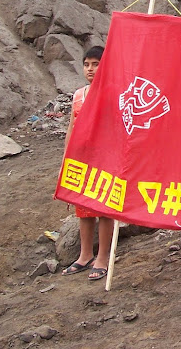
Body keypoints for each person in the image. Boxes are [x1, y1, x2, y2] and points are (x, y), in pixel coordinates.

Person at [61, 46, 115, 281]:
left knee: (104, 208)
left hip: (105, 157)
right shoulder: (78, 95)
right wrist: (66, 157)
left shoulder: (113, 92)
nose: (90, 69)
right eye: (87, 64)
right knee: (83, 208)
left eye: (95, 64)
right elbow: (71, 127)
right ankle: (85, 255)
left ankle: (103, 257)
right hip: (81, 157)